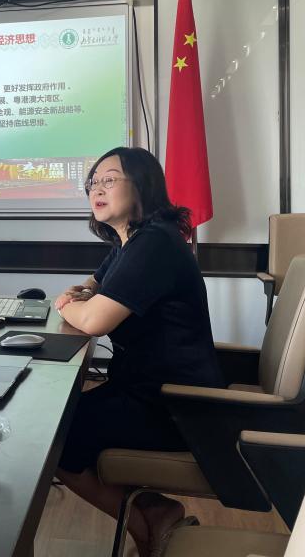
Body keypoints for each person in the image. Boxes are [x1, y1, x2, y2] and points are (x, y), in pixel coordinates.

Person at [54, 146, 223, 557]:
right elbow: (95, 283)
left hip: (174, 406)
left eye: (109, 180)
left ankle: (146, 525)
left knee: (54, 439)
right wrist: (84, 293)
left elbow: (94, 321)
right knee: (64, 420)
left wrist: (66, 305)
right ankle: (155, 513)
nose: (97, 189)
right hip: (148, 390)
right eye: (93, 182)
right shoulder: (132, 242)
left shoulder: (153, 245)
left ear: (143, 185)